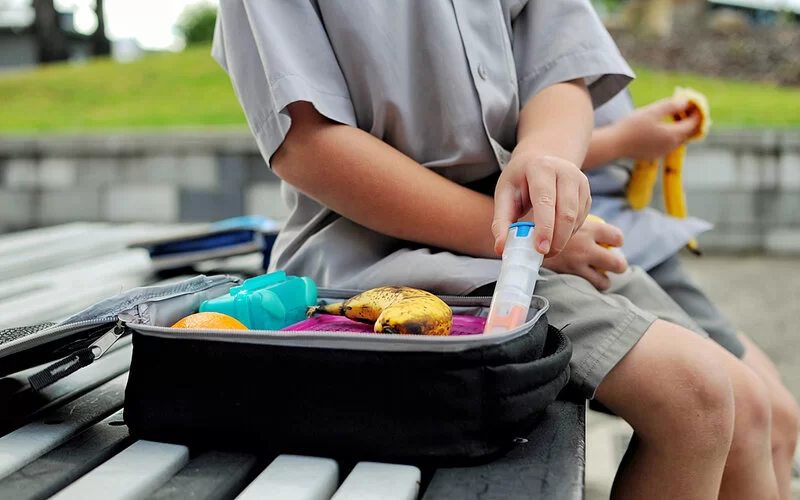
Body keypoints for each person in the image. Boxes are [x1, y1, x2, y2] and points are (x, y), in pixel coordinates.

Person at [212, 1, 780, 497]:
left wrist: (545, 158)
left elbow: (561, 75)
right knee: (694, 395)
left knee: (753, 409)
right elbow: (308, 146)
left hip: (535, 240)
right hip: (381, 259)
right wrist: (514, 232)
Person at [584, 89, 800, 499]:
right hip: (593, 247)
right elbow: (499, 159)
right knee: (741, 416)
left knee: (779, 418)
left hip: (633, 239)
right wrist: (623, 142)